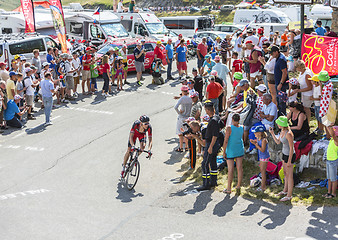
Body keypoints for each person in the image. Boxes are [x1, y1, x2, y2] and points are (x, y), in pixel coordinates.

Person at [196, 101, 222, 191]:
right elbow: (221, 127)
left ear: (208, 110)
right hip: (214, 144)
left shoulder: (213, 121)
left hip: (211, 143)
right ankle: (213, 181)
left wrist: (210, 147)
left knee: (205, 164)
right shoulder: (217, 117)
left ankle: (206, 184)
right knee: (213, 162)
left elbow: (215, 135)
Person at [269, 116, 295, 202]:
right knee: (285, 173)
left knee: (290, 175)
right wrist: (272, 133)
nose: (277, 124)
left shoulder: (288, 134)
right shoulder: (282, 131)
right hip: (284, 154)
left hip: (289, 155)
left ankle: (289, 195)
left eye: (278, 123)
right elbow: (278, 142)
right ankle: (285, 191)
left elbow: (292, 148)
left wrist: (290, 161)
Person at [223, 113, 244, 194]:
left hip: (231, 150)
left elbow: (226, 141)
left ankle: (229, 188)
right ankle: (238, 185)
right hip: (239, 149)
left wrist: (224, 151)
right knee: (239, 168)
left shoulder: (229, 128)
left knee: (230, 169)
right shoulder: (242, 127)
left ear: (232, 119)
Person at [250, 125, 269, 192]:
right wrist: (254, 142)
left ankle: (263, 187)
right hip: (261, 157)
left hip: (264, 157)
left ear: (259, 133)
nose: (254, 134)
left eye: (255, 133)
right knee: (262, 171)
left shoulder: (264, 140)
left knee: (263, 172)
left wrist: (256, 145)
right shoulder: (259, 139)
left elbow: (262, 149)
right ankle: (262, 186)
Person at [271, 46, 288, 116]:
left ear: (276, 52)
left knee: (281, 102)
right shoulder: (278, 58)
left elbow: (284, 72)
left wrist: (281, 83)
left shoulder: (281, 59)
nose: (271, 55)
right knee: (279, 101)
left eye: (272, 53)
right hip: (278, 83)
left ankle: (283, 116)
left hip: (282, 85)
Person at [174, 85, 192, 152]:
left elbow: (175, 107)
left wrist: (179, 113)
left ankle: (181, 147)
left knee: (180, 133)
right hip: (188, 117)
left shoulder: (182, 98)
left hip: (182, 117)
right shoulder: (190, 98)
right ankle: (187, 147)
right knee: (186, 133)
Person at [323, 126, 338, 199]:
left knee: (333, 179)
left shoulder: (336, 140)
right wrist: (327, 125)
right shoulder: (332, 139)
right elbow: (329, 133)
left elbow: (333, 135)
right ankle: (329, 192)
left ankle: (333, 193)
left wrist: (330, 127)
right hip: (329, 160)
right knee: (329, 178)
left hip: (333, 161)